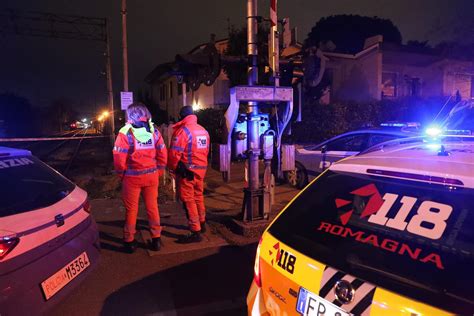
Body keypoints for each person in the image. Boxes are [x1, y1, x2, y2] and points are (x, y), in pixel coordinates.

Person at [113, 102, 167, 253]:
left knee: (131, 210)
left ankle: (129, 241)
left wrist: (121, 174)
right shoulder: (153, 131)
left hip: (131, 178)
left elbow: (118, 157)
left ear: (130, 115)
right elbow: (163, 153)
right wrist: (160, 171)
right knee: (152, 207)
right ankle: (156, 238)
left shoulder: (125, 133)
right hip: (151, 176)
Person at [168, 106, 210, 243]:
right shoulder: (203, 130)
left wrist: (173, 169)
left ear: (182, 116)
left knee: (188, 200)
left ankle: (195, 231)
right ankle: (202, 223)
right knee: (198, 196)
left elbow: (175, 154)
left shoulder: (183, 131)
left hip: (187, 172)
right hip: (201, 170)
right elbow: (206, 151)